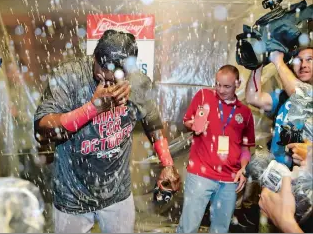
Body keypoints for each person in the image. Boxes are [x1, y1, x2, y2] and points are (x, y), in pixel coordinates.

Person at [34, 29, 180, 233]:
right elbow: (43, 129)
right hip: (73, 194)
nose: (108, 81)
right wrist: (92, 109)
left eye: (117, 77)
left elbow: (152, 123)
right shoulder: (69, 76)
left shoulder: (137, 82)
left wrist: (167, 164)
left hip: (117, 193)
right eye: (101, 71)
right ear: (94, 58)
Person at [177, 65, 255, 233]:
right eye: (217, 84)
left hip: (229, 179)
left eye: (226, 86)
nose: (220, 89)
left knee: (220, 228)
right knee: (188, 227)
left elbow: (246, 147)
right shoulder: (203, 96)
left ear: (238, 84)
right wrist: (195, 126)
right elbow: (187, 121)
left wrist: (243, 168)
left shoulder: (246, 113)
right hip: (200, 174)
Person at [246, 47, 313, 168]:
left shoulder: (303, 94)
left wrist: (277, 60)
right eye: (299, 60)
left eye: (310, 60)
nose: (303, 65)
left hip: (304, 174)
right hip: (276, 173)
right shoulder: (283, 96)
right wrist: (257, 64)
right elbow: (253, 97)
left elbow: (301, 95)